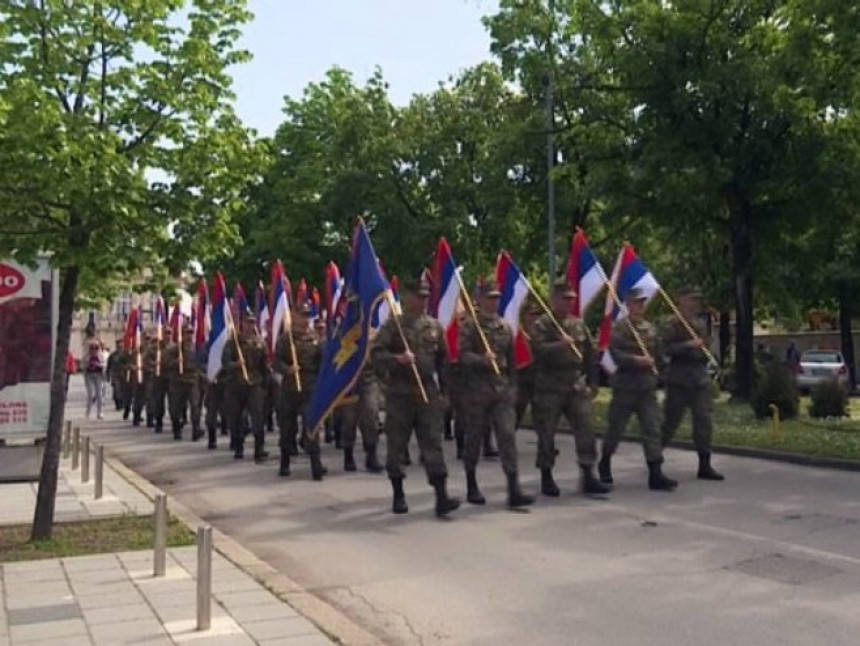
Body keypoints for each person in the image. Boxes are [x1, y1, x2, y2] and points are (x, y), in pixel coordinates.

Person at [372, 276, 459, 517]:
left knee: (433, 443)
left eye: (425, 296)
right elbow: (376, 354)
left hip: (427, 393)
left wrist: (446, 393)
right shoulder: (394, 325)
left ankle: (441, 496)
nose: (422, 300)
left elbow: (444, 361)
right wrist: (396, 359)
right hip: (400, 394)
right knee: (397, 445)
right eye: (418, 296)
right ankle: (398, 493)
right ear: (407, 297)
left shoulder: (434, 326)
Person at [458, 280, 534, 509]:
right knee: (474, 438)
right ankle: (471, 484)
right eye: (490, 297)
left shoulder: (505, 327)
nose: (494, 301)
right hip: (477, 392)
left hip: (501, 391)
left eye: (496, 297)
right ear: (479, 300)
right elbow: (462, 356)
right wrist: (482, 359)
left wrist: (513, 387)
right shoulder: (470, 327)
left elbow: (512, 362)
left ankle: (514, 489)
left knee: (507, 437)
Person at [531, 281, 609, 496]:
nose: (569, 303)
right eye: (565, 299)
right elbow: (536, 350)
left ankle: (588, 473)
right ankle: (546, 475)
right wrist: (560, 344)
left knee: (586, 427)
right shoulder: (543, 324)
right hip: (549, 385)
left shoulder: (578, 324)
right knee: (546, 432)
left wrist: (593, 382)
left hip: (574, 383)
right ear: (554, 299)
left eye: (571, 299)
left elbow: (590, 355)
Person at [599, 287, 677, 491]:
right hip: (625, 387)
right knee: (615, 429)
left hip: (646, 388)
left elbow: (659, 355)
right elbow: (614, 353)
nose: (639, 306)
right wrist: (636, 360)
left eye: (642, 302)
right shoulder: (619, 328)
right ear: (628, 304)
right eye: (636, 302)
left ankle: (655, 472)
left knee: (653, 428)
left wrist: (664, 372)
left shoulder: (650, 329)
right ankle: (605, 462)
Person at [660, 287, 724, 480]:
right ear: (680, 300)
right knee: (670, 422)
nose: (694, 303)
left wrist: (706, 352)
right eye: (690, 299)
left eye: (696, 300)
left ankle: (704, 464)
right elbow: (664, 349)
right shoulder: (671, 324)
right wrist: (687, 346)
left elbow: (705, 347)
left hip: (698, 377)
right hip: (679, 378)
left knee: (703, 421)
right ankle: (654, 458)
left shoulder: (699, 324)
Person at [273, 302, 325, 479]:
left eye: (307, 316)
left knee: (312, 426)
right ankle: (285, 462)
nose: (304, 319)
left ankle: (316, 465)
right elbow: (276, 361)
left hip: (309, 388)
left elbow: (322, 364)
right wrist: (287, 369)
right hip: (289, 389)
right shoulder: (286, 339)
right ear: (295, 317)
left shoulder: (316, 339)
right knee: (287, 428)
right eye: (302, 315)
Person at [223, 312, 271, 462]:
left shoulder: (260, 342)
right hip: (236, 384)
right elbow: (224, 363)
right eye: (247, 322)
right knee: (236, 417)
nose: (250, 325)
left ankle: (259, 448)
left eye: (252, 322)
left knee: (257, 417)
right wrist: (235, 365)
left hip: (254, 383)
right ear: (242, 323)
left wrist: (266, 385)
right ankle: (238, 446)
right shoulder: (233, 342)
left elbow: (264, 366)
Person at [164, 324, 202, 441]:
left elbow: (200, 364)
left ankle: (196, 429)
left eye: (191, 333)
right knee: (176, 408)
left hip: (192, 380)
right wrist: (176, 362)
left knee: (195, 406)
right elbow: (165, 363)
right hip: (178, 381)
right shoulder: (176, 349)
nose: (189, 335)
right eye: (187, 333)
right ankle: (177, 429)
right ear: (182, 334)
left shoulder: (196, 349)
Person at [83, 340, 104, 419]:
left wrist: (98, 365)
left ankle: (100, 412)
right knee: (90, 394)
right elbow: (83, 365)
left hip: (98, 375)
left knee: (99, 394)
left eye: (96, 348)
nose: (94, 350)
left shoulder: (101, 355)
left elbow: (104, 365)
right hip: (89, 375)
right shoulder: (86, 356)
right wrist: (88, 364)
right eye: (92, 348)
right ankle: (88, 412)